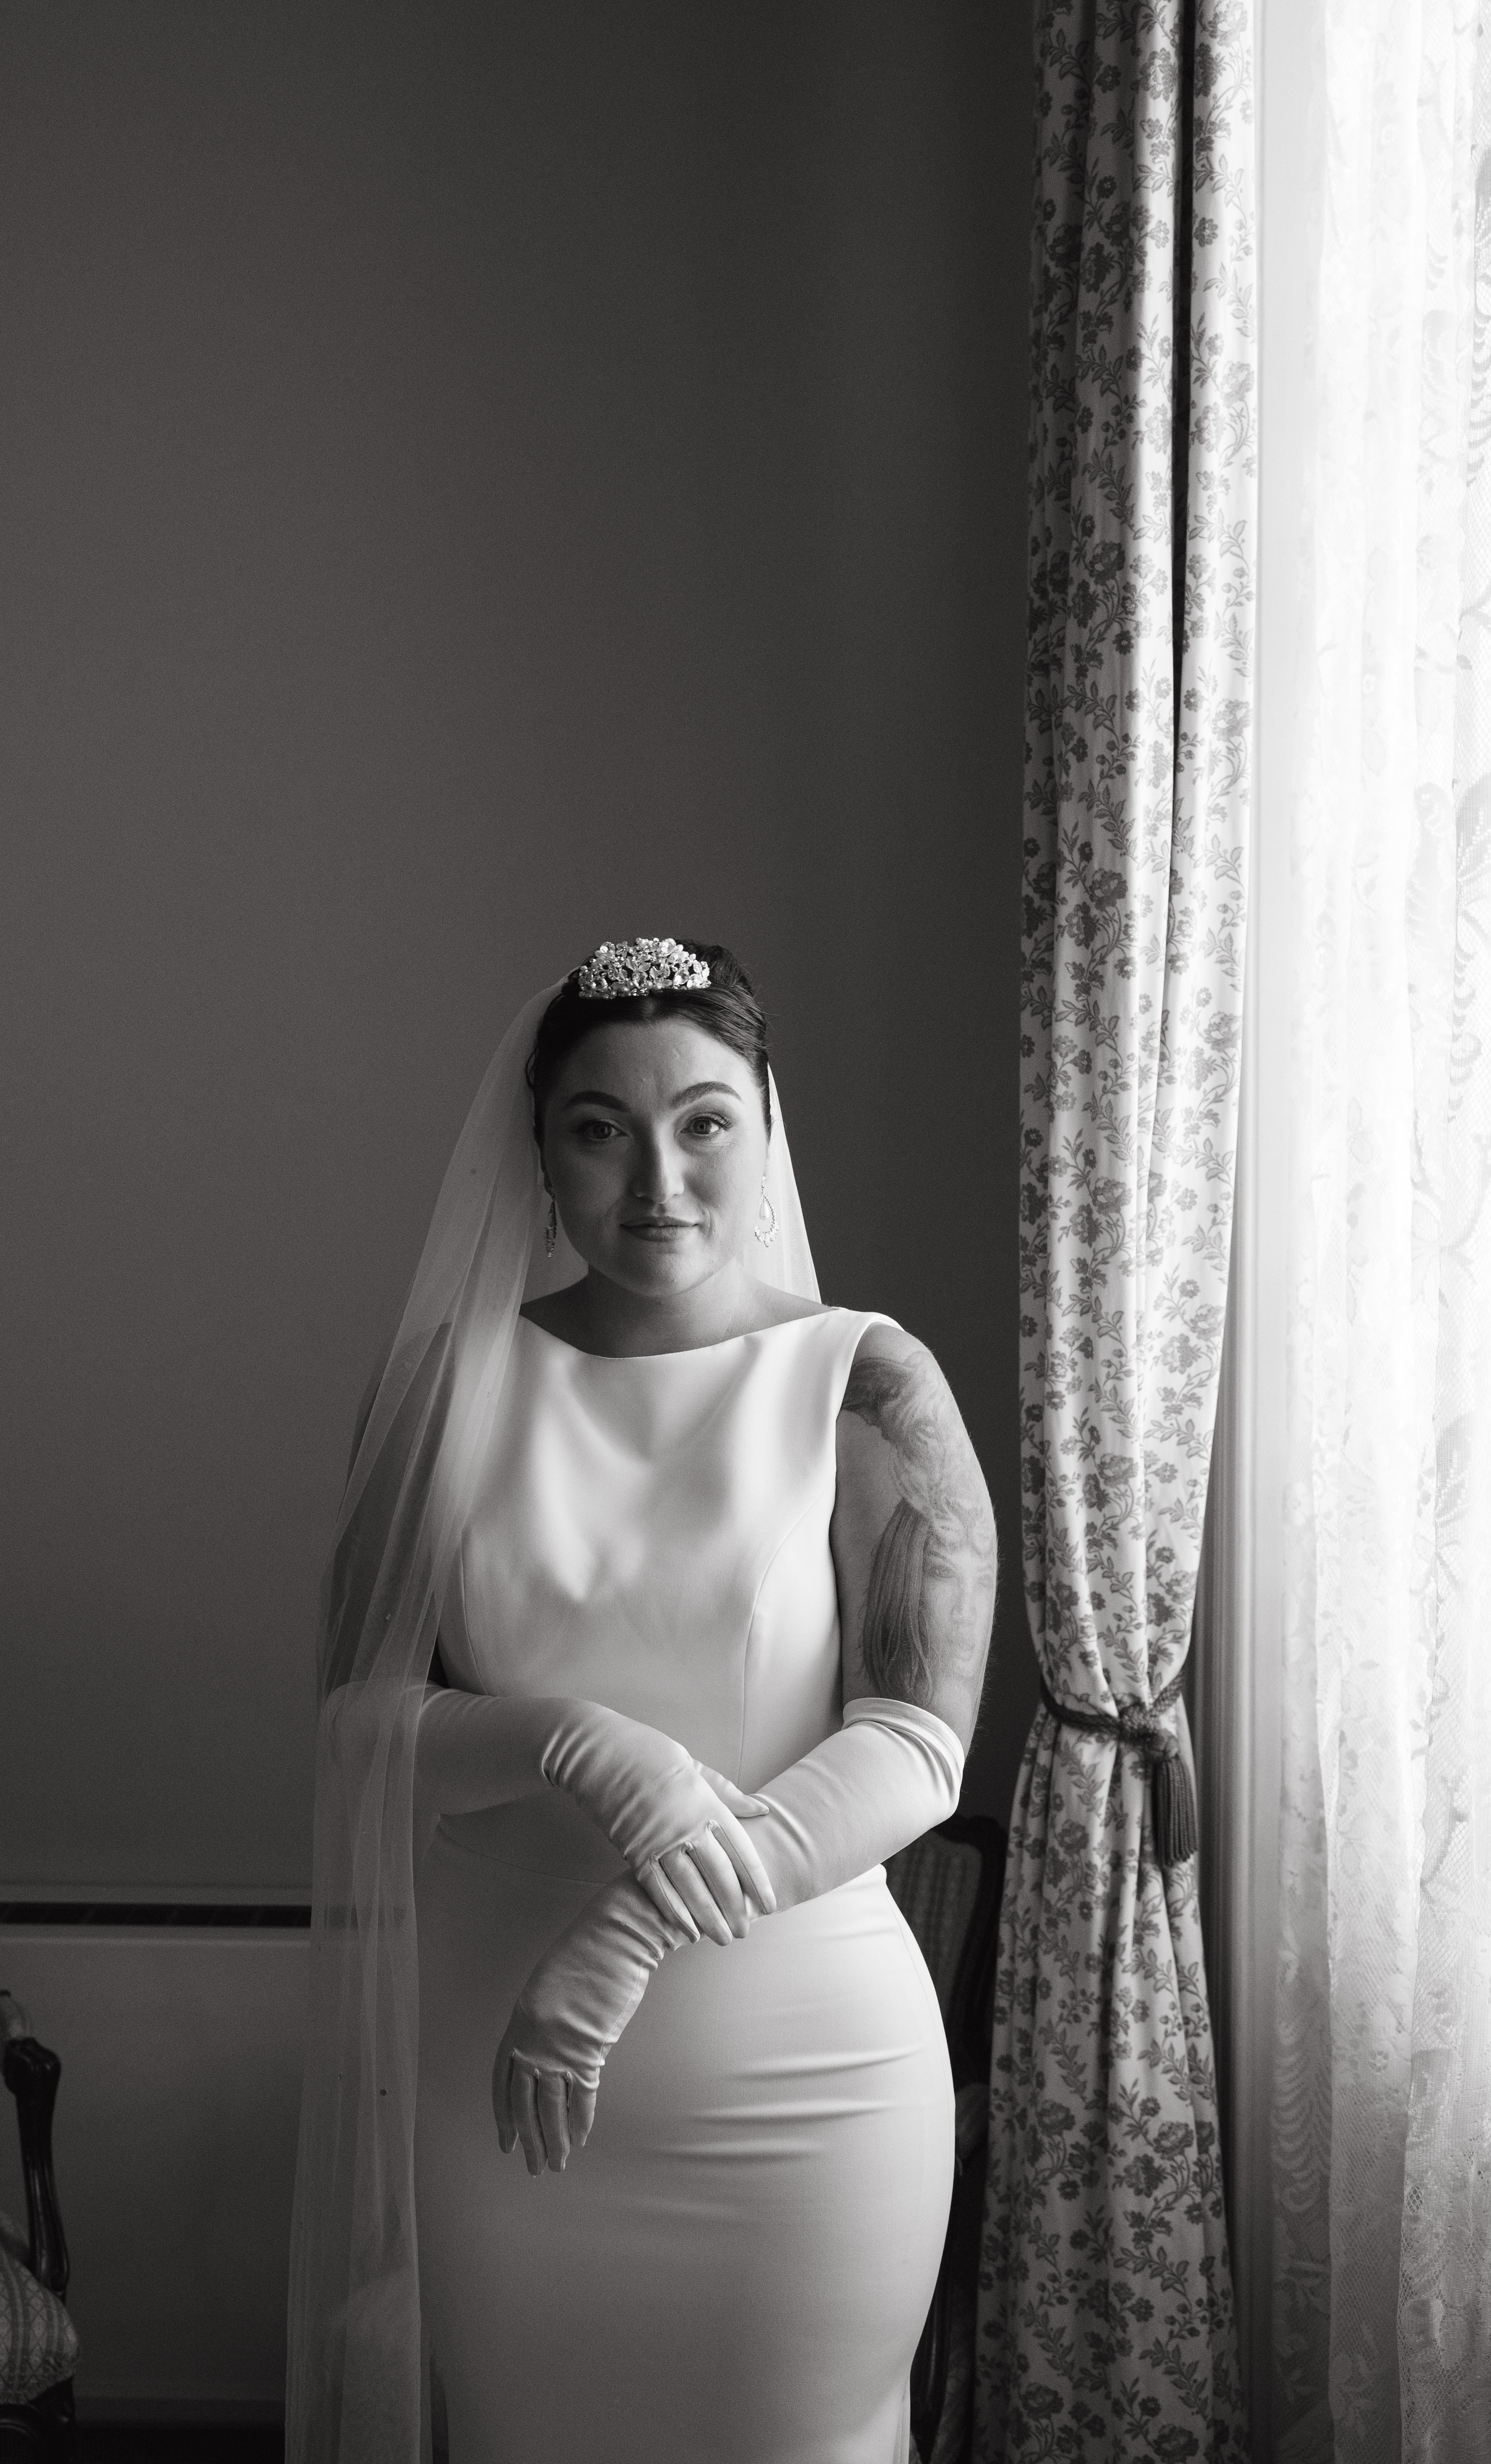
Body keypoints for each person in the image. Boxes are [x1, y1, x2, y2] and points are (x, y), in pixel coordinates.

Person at [287, 938, 996, 2464]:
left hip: (804, 2070)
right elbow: (357, 1722)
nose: (658, 1178)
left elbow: (916, 1743)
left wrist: (628, 1931)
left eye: (704, 1121)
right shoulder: (441, 1387)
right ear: (539, 1154)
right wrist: (577, 1746)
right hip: (502, 2070)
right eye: (601, 1127)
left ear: (764, 1128)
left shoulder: (868, 1382)